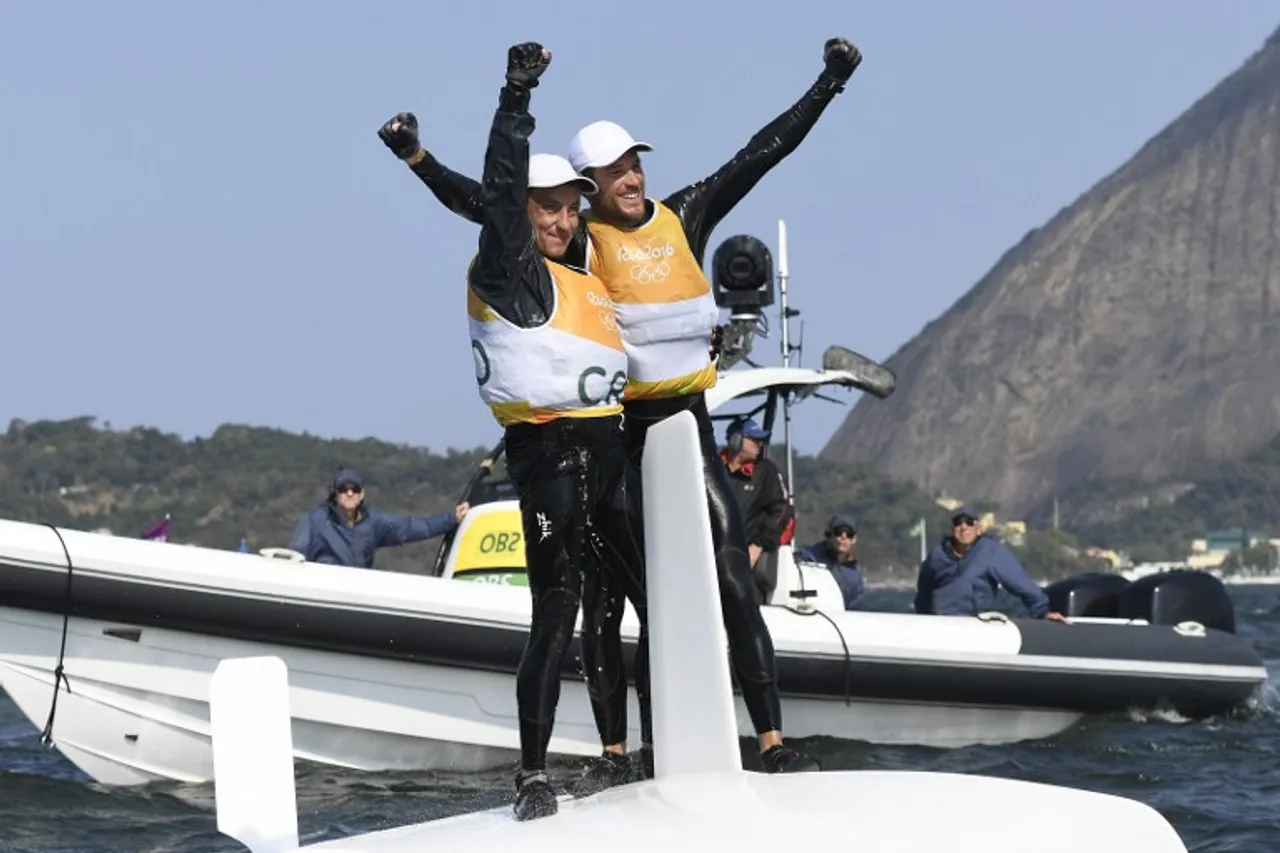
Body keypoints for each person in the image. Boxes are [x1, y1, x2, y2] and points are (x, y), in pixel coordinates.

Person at [378, 35, 863, 776]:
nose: (630, 178)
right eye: (612, 172)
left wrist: (827, 84)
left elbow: (761, 153)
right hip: (616, 434)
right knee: (605, 600)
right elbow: (491, 205)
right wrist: (420, 159)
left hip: (684, 424)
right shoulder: (575, 242)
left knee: (731, 579)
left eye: (635, 163)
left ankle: (768, 739)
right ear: (588, 185)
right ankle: (614, 751)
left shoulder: (683, 214)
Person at [459, 42, 650, 821]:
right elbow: (500, 188)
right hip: (549, 456)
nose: (564, 219)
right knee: (558, 611)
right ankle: (532, 773)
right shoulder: (510, 269)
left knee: (631, 606)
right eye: (549, 208)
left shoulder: (585, 275)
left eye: (572, 206)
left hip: (607, 457)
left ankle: (623, 753)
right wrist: (515, 98)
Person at [286, 467, 468, 569]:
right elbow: (294, 556)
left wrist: (452, 518)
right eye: (343, 489)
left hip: (357, 593)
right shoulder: (316, 521)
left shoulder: (374, 521)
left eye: (354, 489)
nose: (350, 493)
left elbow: (412, 527)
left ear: (362, 494)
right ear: (335, 494)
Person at [914, 507, 1071, 622]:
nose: (963, 527)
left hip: (974, 621)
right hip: (940, 621)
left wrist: (1042, 611)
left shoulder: (990, 551)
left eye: (969, 523)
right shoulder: (937, 554)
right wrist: (922, 618)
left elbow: (1019, 581)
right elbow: (924, 591)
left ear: (979, 529)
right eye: (958, 523)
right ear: (952, 529)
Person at [720, 418, 794, 605]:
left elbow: (782, 510)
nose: (760, 444)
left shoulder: (766, 471)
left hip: (746, 564)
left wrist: (758, 545)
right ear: (736, 440)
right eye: (754, 439)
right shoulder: (712, 468)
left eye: (760, 440)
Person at [795, 514, 866, 610]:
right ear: (829, 535)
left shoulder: (855, 575)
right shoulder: (809, 557)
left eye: (849, 533)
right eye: (839, 532)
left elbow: (855, 606)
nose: (843, 537)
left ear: (854, 540)